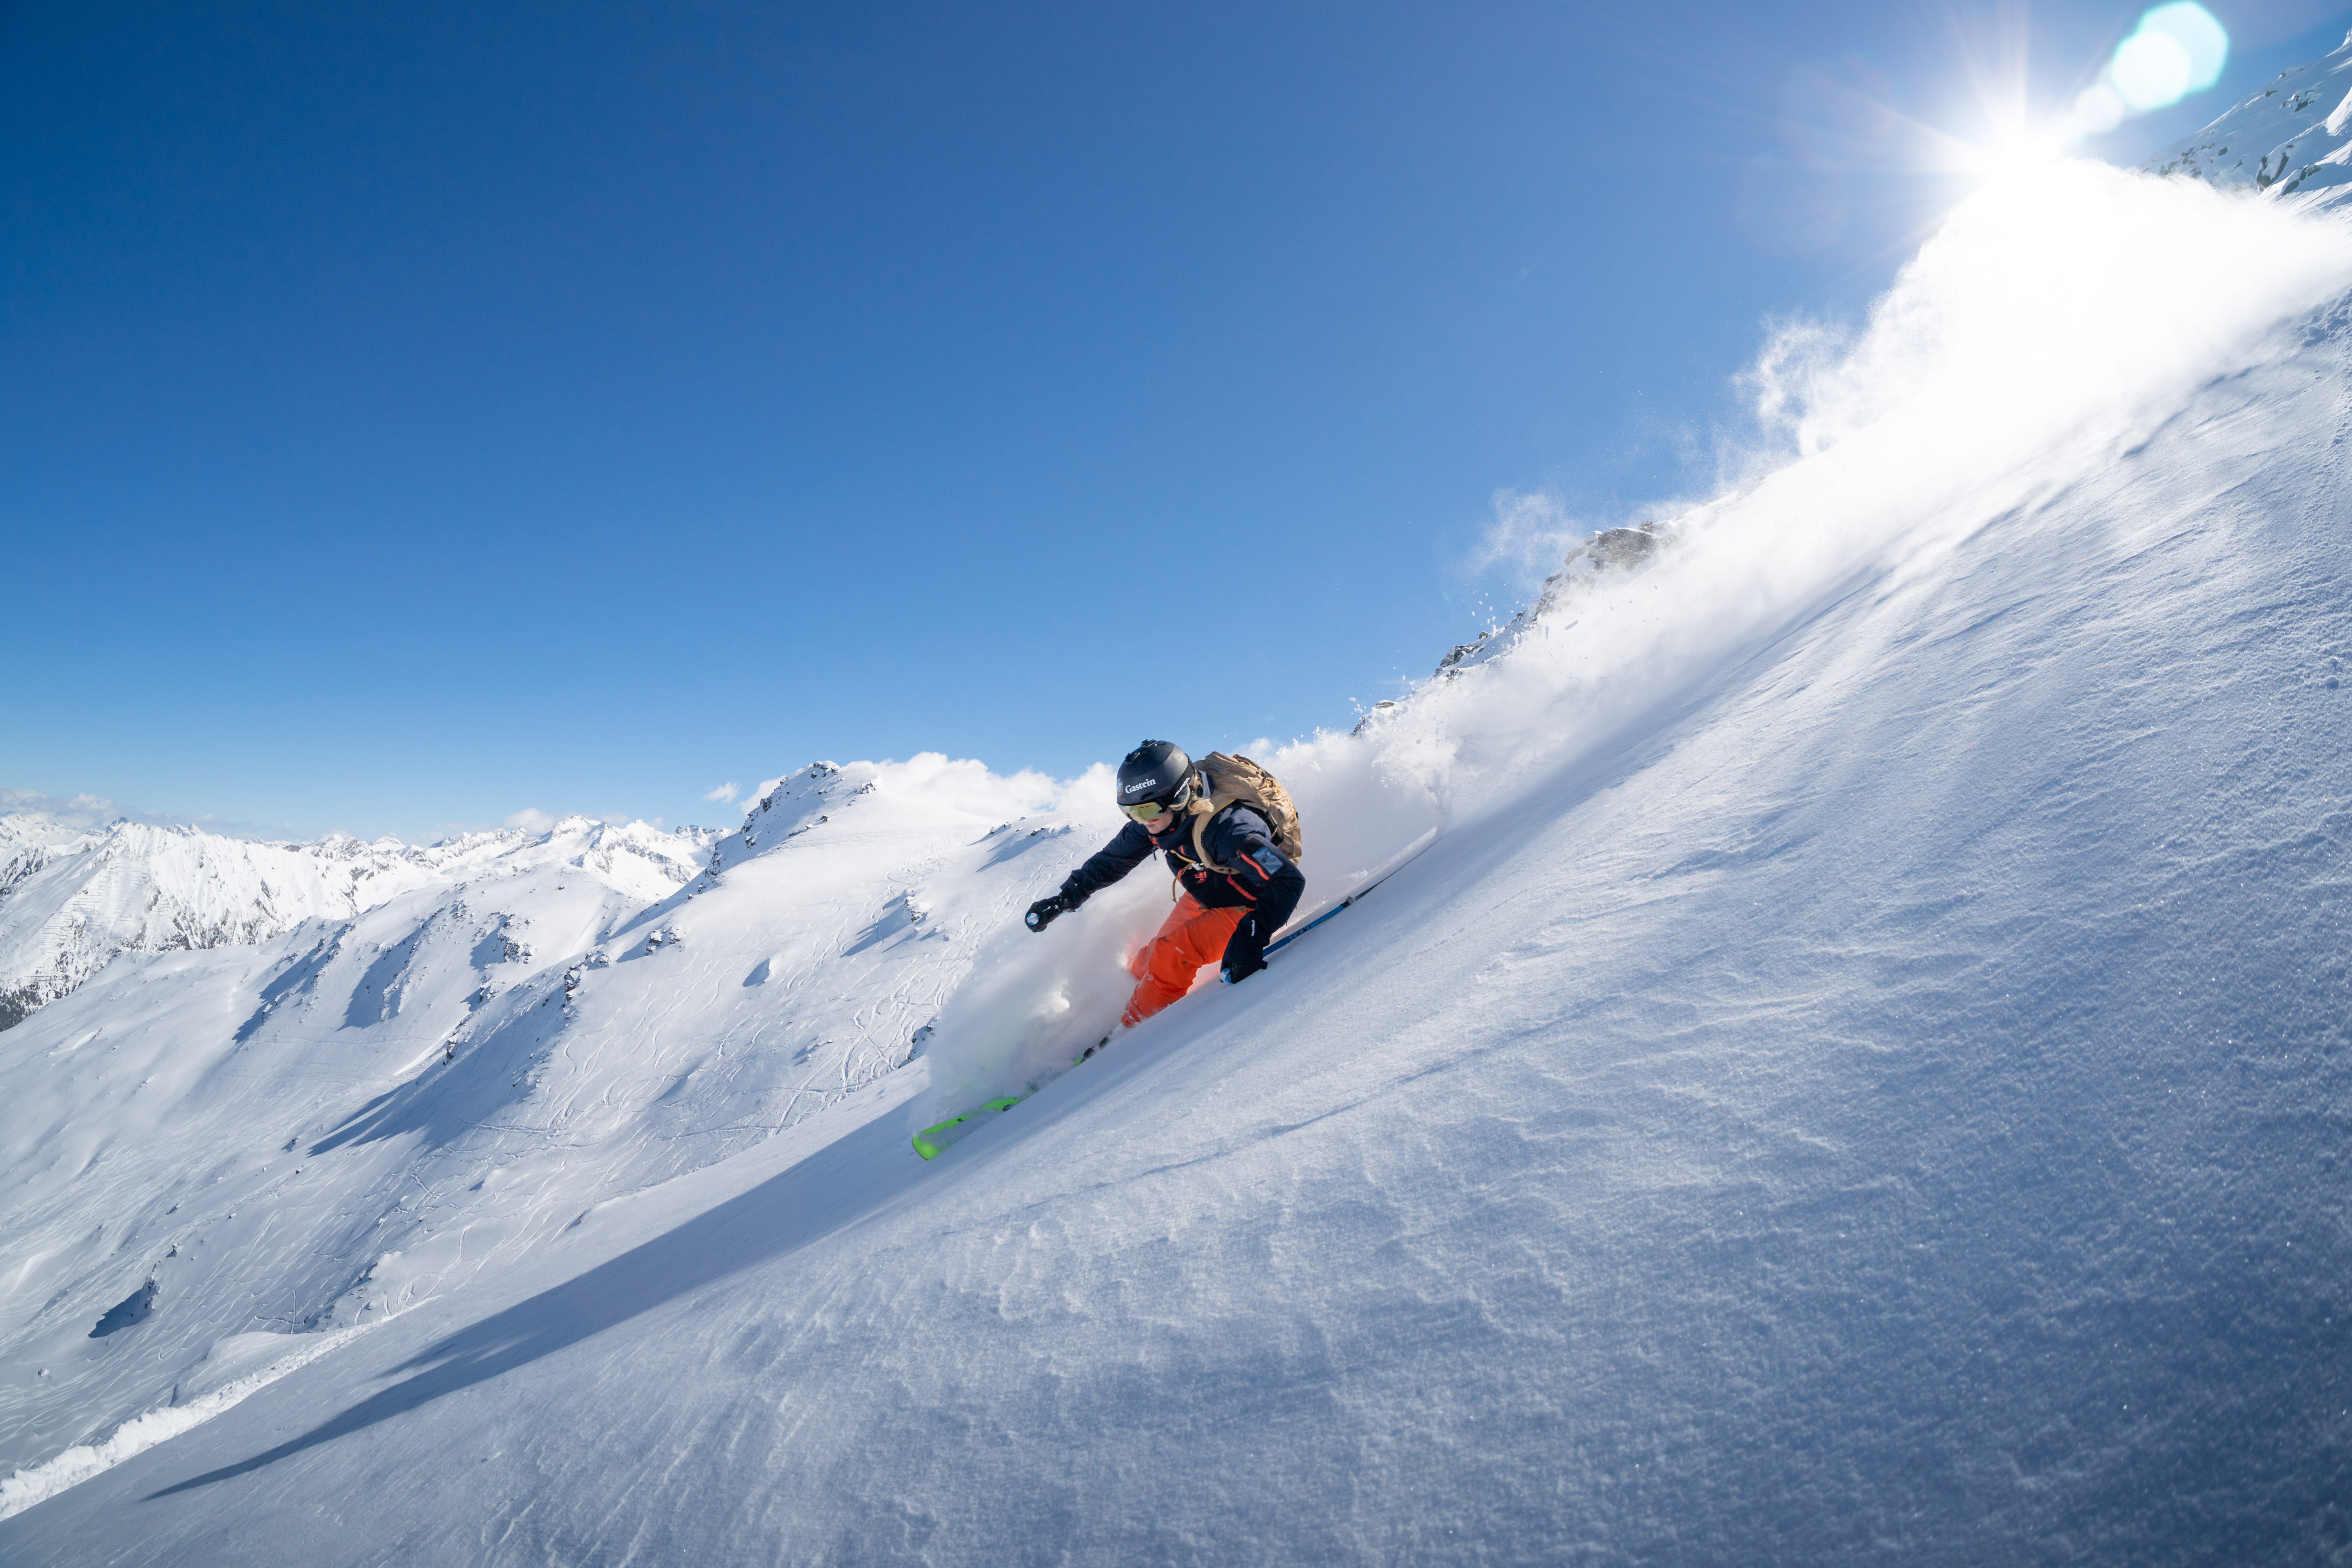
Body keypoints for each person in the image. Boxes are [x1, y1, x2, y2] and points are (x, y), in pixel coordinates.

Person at [1023, 740, 1305, 1028]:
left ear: (1179, 798)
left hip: (1259, 900)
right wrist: (1064, 899)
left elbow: (1287, 882)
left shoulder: (1230, 830)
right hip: (1212, 886)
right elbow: (1112, 861)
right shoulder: (1156, 819)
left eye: (1145, 812)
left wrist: (1250, 939)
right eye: (1130, 813)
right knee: (1152, 953)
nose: (1140, 822)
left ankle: (1129, 1035)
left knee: (1173, 954)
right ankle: (1116, 1003)